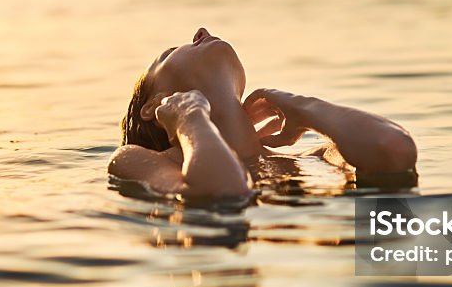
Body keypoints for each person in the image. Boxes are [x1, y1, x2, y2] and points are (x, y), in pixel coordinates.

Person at [109, 27, 418, 200]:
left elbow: (394, 151)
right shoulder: (136, 160)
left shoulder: (314, 158)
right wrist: (190, 117)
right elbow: (223, 194)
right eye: (167, 54)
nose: (201, 32)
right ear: (154, 105)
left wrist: (303, 107)